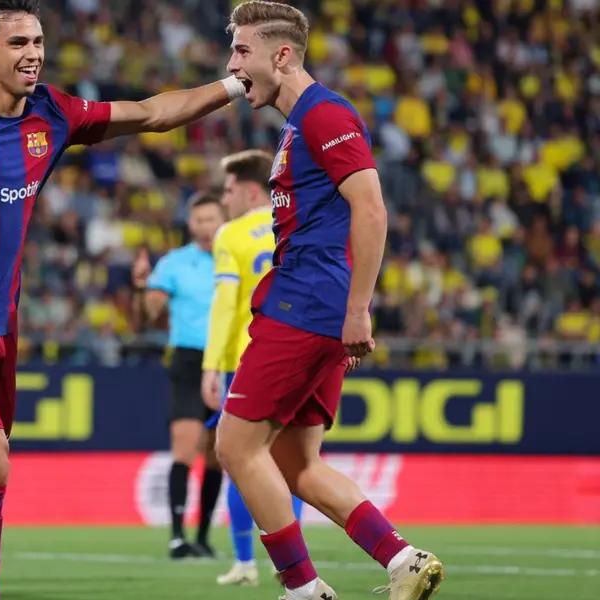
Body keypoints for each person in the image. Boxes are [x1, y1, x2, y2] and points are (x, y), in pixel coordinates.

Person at [0, 1, 250, 597]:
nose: (34, 54)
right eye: (18, 44)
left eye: (37, 41)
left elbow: (155, 112)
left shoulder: (52, 113)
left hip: (1, 325)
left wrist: (236, 83)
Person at [217, 2, 443, 599]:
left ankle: (303, 589)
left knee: (235, 445)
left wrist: (357, 310)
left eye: (242, 51)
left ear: (282, 56)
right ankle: (403, 560)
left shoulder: (325, 114)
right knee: (297, 465)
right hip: (317, 307)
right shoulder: (300, 126)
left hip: (306, 304)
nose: (233, 66)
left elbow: (371, 208)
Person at [201, 149, 304, 586]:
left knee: (239, 457)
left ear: (247, 190)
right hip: (299, 352)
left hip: (247, 358)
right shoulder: (296, 223)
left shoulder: (232, 234)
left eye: (227, 191)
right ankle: (294, 566)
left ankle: (245, 561)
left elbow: (226, 304)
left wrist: (211, 364)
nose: (225, 201)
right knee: (292, 463)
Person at [130, 193, 225, 560]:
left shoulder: (235, 255)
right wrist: (142, 288)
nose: (205, 226)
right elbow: (148, 315)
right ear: (190, 224)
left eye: (211, 218)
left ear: (223, 218)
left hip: (228, 360)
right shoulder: (174, 263)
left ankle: (202, 536)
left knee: (219, 454)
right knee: (184, 447)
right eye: (199, 219)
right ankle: (176, 536)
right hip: (188, 361)